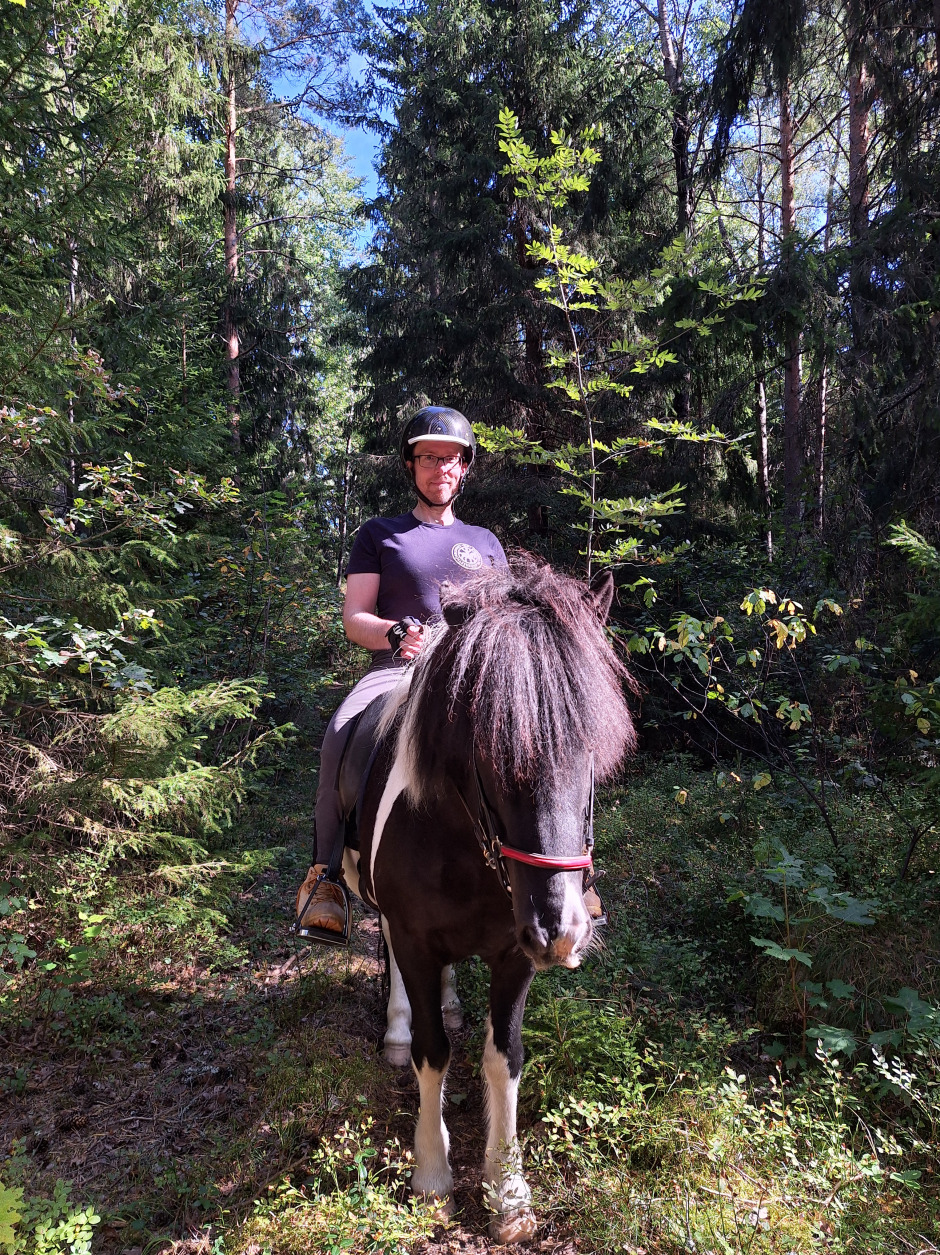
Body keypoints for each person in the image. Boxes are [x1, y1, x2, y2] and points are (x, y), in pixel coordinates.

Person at [296, 405, 507, 934]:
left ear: (465, 468)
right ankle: (325, 880)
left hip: (474, 680)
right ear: (410, 466)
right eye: (429, 458)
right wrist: (393, 633)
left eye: (452, 459)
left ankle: (575, 874)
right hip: (398, 668)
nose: (442, 468)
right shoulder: (379, 534)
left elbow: (505, 624)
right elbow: (354, 619)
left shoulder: (485, 543)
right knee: (339, 734)